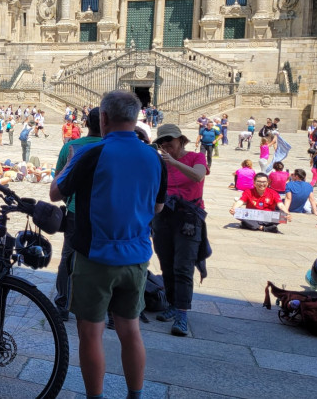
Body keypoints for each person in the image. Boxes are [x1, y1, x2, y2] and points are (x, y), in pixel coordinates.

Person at [49, 90, 167, 399]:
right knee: (130, 331)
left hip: (96, 258)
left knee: (91, 333)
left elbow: (54, 193)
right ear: (136, 117)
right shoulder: (154, 157)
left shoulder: (92, 154)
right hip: (137, 258)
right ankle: (135, 395)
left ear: (103, 118)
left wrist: (68, 164)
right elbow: (157, 208)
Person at [152, 124, 208, 337]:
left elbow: (198, 176)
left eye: (170, 140)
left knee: (183, 267)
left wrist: (174, 162)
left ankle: (182, 314)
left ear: (181, 141)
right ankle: (173, 304)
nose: (166, 144)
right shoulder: (159, 162)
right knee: (166, 264)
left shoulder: (196, 157)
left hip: (189, 218)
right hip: (163, 215)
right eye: (162, 141)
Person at [53, 106, 102, 321]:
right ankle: (104, 309)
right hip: (105, 213)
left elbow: (58, 180)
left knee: (68, 256)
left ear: (86, 124)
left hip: (75, 211)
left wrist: (69, 199)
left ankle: (63, 302)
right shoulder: (111, 147)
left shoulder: (71, 146)